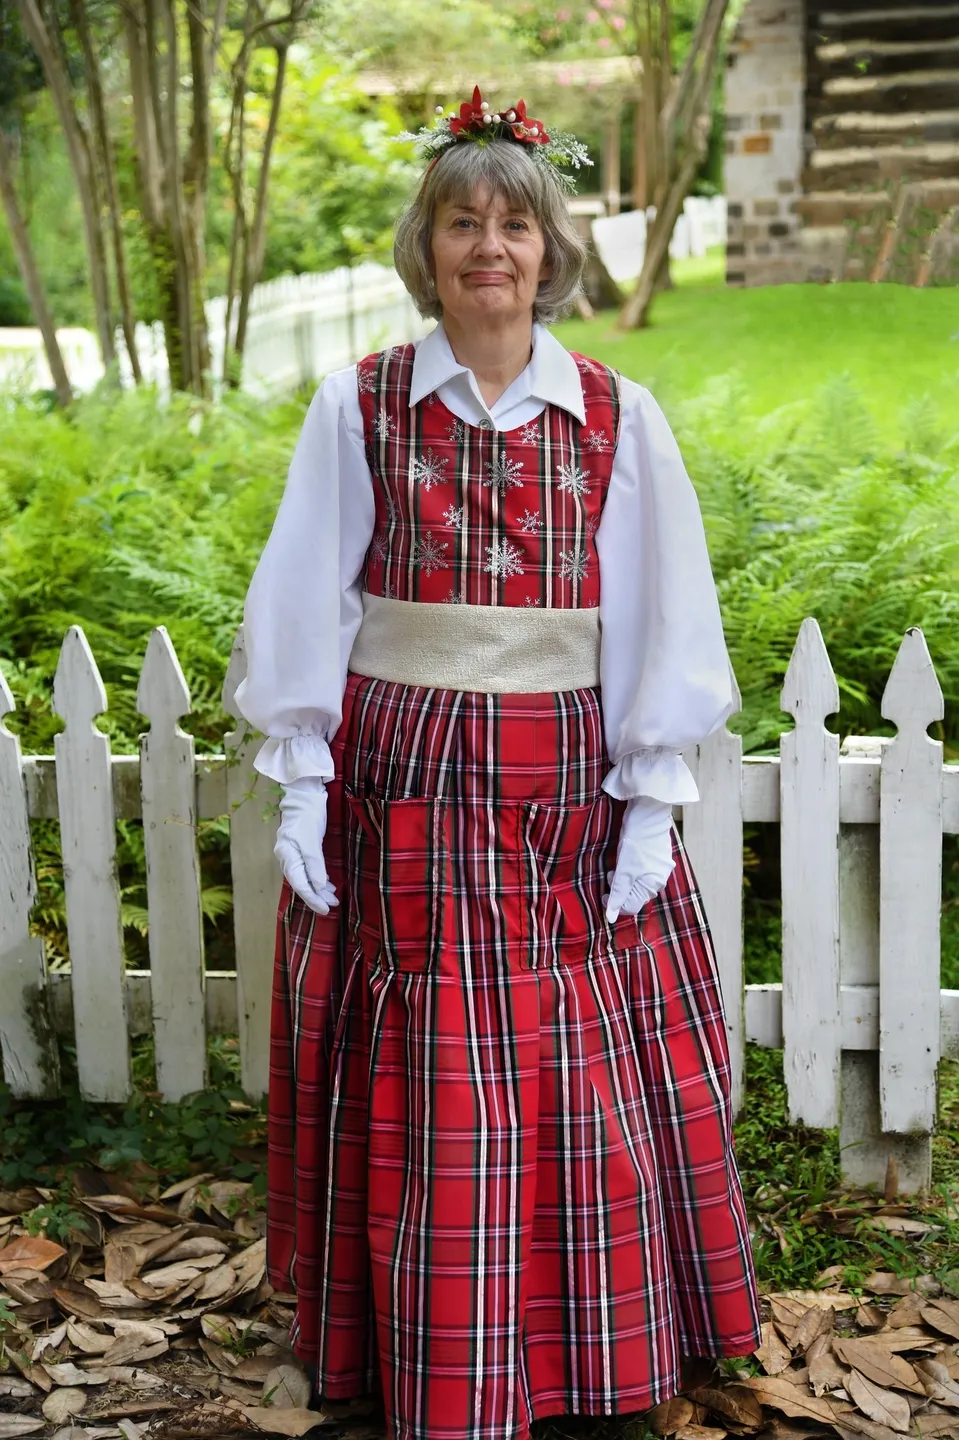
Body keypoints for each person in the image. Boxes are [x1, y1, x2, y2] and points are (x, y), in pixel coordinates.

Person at [235, 85, 760, 1440]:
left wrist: (650, 798)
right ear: (428, 246)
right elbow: (307, 591)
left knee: (559, 1060)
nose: (488, 249)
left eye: (512, 225)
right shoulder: (357, 408)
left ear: (547, 249)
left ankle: (586, 1359)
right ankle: (422, 1357)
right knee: (427, 1075)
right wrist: (302, 768)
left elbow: (661, 605)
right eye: (461, 222)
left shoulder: (609, 415)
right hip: (399, 796)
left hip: (558, 796)